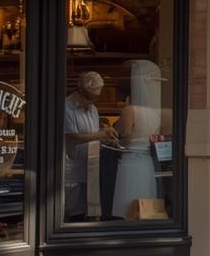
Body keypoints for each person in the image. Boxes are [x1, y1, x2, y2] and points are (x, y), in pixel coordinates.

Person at [64, 71, 117, 222]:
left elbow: (92, 135)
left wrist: (106, 139)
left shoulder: (93, 109)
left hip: (90, 167)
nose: (91, 102)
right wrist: (102, 134)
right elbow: (71, 137)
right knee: (69, 212)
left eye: (95, 98)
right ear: (79, 90)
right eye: (88, 98)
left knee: (85, 213)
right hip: (71, 170)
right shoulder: (67, 108)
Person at [112, 59, 163, 216]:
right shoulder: (156, 113)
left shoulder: (130, 110)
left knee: (128, 202)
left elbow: (124, 134)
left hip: (130, 161)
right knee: (145, 201)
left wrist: (111, 132)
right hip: (147, 163)